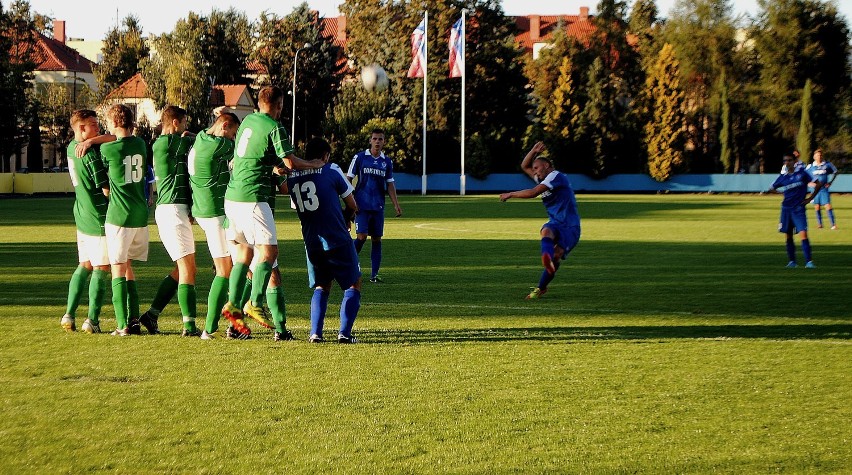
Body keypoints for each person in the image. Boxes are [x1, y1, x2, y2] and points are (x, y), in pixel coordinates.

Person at [220, 85, 323, 337]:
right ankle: (254, 304)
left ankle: (234, 310)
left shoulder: (247, 122)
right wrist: (313, 164)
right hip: (253, 198)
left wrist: (272, 168)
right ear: (279, 106)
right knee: (270, 254)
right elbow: (290, 161)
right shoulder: (275, 126)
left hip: (232, 198)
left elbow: (256, 156)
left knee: (244, 258)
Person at [289, 137, 362, 343]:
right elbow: (352, 204)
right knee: (353, 284)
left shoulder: (294, 177)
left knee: (322, 285)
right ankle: (344, 334)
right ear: (325, 156)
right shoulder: (332, 170)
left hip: (312, 241)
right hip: (337, 238)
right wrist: (346, 219)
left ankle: (315, 334)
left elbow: (299, 208)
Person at [139, 106, 200, 337]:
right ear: (175, 122)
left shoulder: (170, 144)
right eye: (184, 123)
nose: (185, 127)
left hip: (177, 209)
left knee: (183, 268)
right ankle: (189, 325)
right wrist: (194, 136)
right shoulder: (165, 143)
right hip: (171, 210)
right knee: (188, 269)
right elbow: (203, 142)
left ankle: (152, 315)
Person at [499, 142, 581, 299]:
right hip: (555, 222)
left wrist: (511, 194)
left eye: (537, 168)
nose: (534, 171)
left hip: (571, 227)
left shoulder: (556, 176)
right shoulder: (544, 179)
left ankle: (541, 287)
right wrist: (533, 151)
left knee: (557, 255)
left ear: (547, 165)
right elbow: (525, 166)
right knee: (546, 231)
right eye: (534, 169)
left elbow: (532, 193)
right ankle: (546, 259)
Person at [184, 112, 241, 339]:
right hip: (215, 212)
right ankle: (210, 327)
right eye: (233, 133)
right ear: (224, 126)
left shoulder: (201, 138)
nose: (233, 138)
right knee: (225, 270)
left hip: (204, 210)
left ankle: (232, 321)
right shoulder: (219, 146)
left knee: (234, 266)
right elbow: (245, 151)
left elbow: (195, 133)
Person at [59, 109, 114, 334]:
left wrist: (92, 139)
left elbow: (111, 135)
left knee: (85, 265)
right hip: (98, 216)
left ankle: (69, 314)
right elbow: (106, 189)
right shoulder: (91, 156)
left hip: (81, 215)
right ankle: (92, 320)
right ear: (81, 128)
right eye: (93, 124)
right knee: (101, 268)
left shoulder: (72, 148)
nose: (98, 127)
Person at [100, 104, 150, 336]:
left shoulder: (109, 150)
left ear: (113, 123)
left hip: (119, 215)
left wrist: (90, 142)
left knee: (118, 268)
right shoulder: (140, 144)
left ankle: (122, 325)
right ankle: (134, 320)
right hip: (140, 215)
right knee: (129, 268)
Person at [346, 128, 402, 283]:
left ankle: (374, 274)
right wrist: (348, 200)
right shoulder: (360, 157)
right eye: (375, 139)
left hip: (378, 206)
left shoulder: (387, 162)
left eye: (380, 139)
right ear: (370, 140)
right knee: (362, 236)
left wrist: (396, 204)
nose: (377, 142)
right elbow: (348, 179)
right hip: (361, 206)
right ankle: (347, 264)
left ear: (384, 142)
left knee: (377, 239)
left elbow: (390, 184)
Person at [769, 154, 823, 268]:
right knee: (788, 236)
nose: (787, 162)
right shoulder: (783, 177)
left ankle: (809, 262)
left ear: (794, 161)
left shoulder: (802, 174)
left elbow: (818, 184)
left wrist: (809, 198)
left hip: (798, 209)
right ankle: (792, 262)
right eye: (785, 161)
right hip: (786, 209)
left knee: (803, 234)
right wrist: (782, 193)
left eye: (789, 160)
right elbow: (771, 188)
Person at [806, 148, 839, 230]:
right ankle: (820, 224)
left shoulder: (827, 164)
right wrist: (809, 183)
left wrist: (830, 182)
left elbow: (835, 171)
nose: (819, 157)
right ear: (814, 157)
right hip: (815, 190)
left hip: (824, 189)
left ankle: (833, 224)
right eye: (817, 155)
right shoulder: (810, 166)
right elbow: (803, 176)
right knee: (817, 206)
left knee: (828, 205)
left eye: (820, 155)